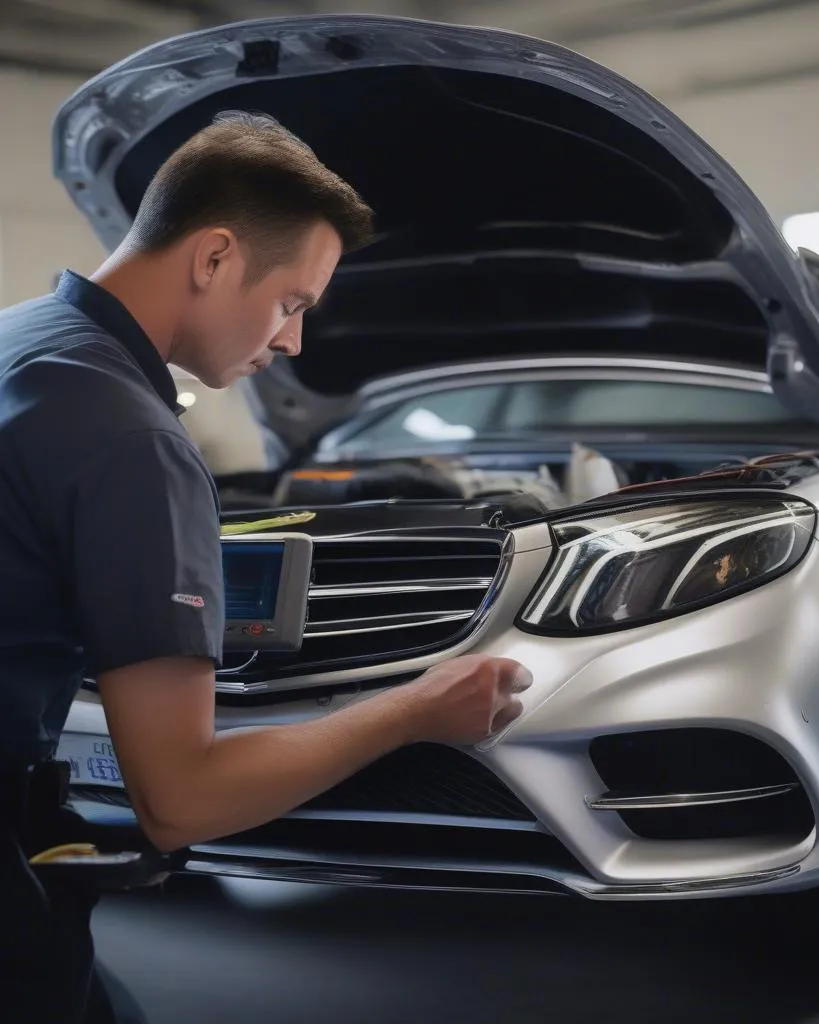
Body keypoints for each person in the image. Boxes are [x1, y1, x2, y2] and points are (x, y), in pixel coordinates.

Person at [0, 111, 531, 1023]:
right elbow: (181, 799)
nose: (291, 342)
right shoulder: (132, 440)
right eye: (292, 302)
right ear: (212, 258)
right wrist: (417, 710)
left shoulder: (19, 339)